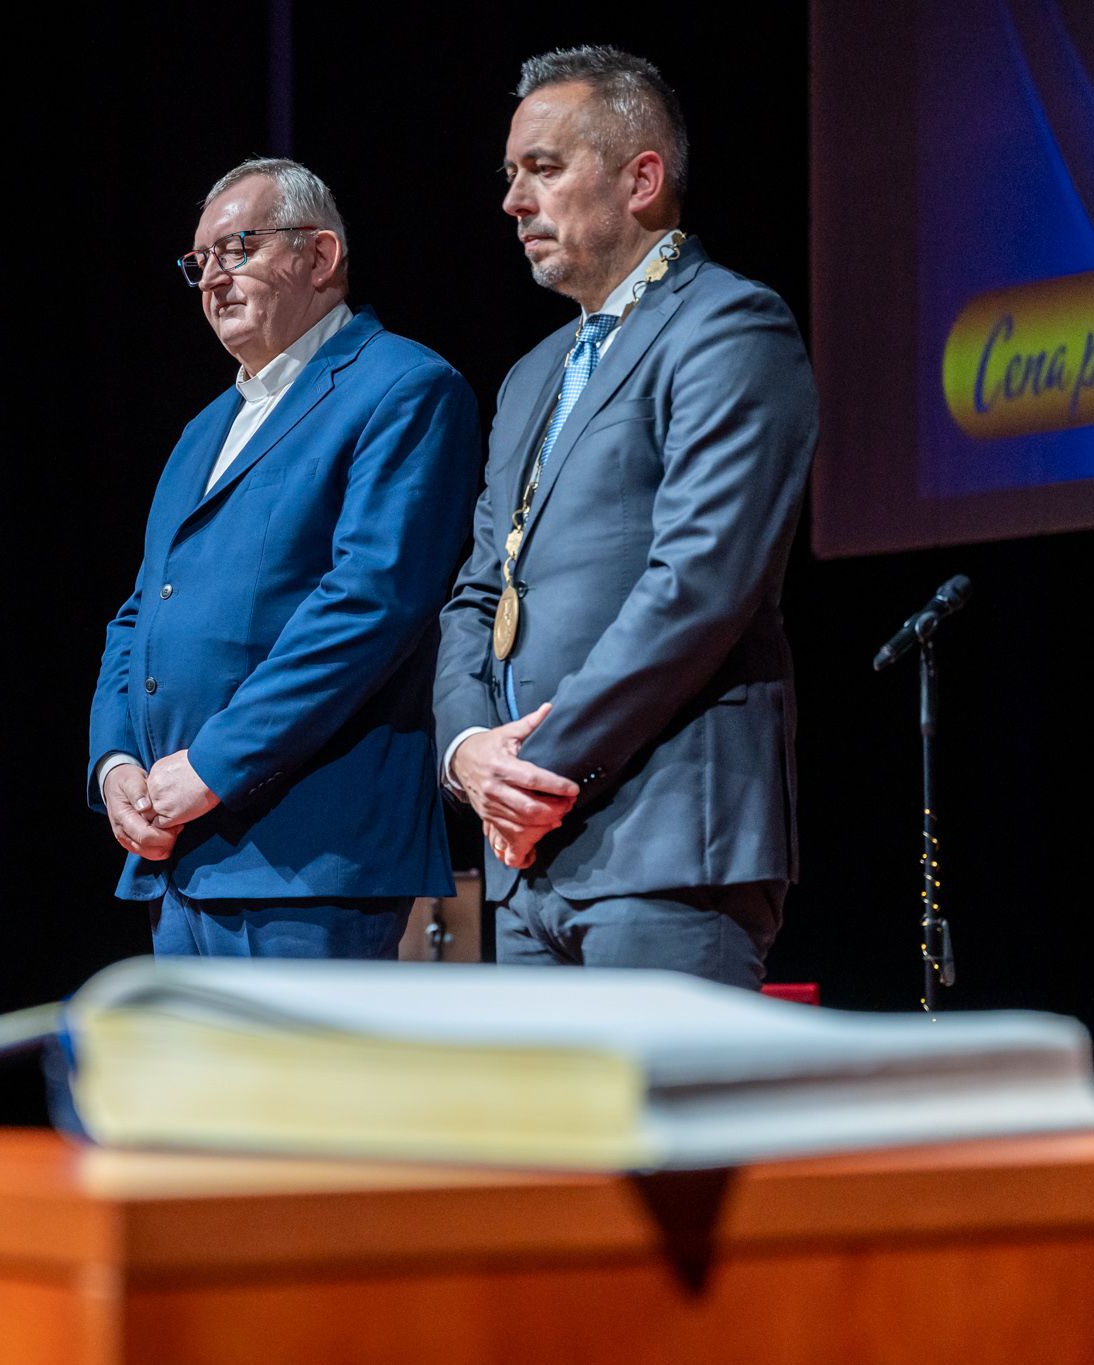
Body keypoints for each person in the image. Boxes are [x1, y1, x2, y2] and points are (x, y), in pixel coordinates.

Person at [435, 46, 818, 986]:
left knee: (663, 1098)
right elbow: (477, 593)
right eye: (511, 173)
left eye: (544, 168)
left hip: (668, 841)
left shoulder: (729, 326)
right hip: (526, 863)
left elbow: (698, 586)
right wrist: (468, 754)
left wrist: (535, 773)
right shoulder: (531, 376)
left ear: (641, 180)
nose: (514, 201)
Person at [88, 157, 482, 959]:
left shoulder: (405, 387)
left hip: (308, 857)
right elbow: (140, 612)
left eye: (237, 249)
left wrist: (213, 764)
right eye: (199, 261)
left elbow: (371, 603)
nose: (211, 279)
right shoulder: (202, 430)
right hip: (178, 854)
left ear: (320, 255)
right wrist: (116, 762)